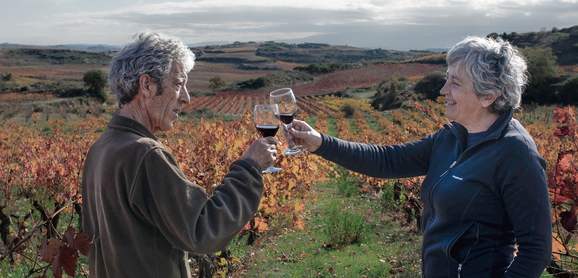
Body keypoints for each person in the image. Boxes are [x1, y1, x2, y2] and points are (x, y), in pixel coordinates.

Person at [288, 36, 552, 277]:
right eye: (447, 78)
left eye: (455, 83)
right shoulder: (452, 136)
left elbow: (536, 249)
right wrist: (319, 142)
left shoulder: (516, 153)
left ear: (488, 96)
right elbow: (387, 160)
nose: (443, 90)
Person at [81, 32, 277, 278]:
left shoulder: (101, 147)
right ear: (146, 85)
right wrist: (250, 168)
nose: (186, 98)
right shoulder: (145, 154)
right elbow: (202, 231)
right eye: (178, 84)